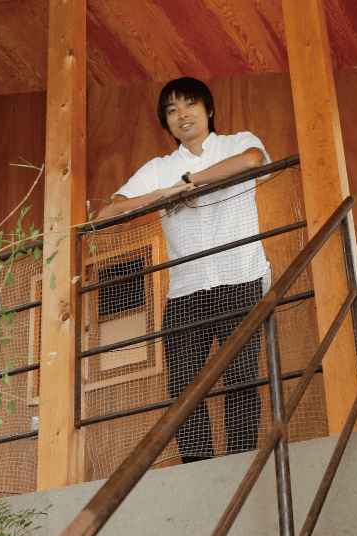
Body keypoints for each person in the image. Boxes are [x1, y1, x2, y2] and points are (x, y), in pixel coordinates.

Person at [97, 77, 271, 463]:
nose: (182, 115)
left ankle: (242, 463)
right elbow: (109, 212)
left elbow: (252, 161)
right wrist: (165, 193)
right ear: (167, 122)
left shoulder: (236, 142)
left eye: (190, 104)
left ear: (209, 109)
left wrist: (191, 183)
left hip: (241, 278)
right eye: (172, 110)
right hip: (185, 291)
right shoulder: (160, 168)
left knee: (241, 378)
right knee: (183, 388)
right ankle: (197, 470)